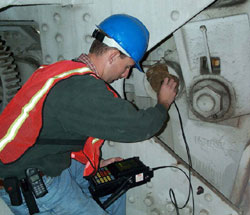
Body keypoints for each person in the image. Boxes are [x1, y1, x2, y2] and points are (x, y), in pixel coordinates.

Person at [0, 14, 178, 215]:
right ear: (112, 56)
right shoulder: (81, 88)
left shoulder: (67, 72)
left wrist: (95, 164)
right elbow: (137, 127)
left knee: (115, 187)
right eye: (127, 66)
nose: (125, 74)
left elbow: (56, 132)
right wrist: (163, 103)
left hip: (43, 163)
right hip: (31, 182)